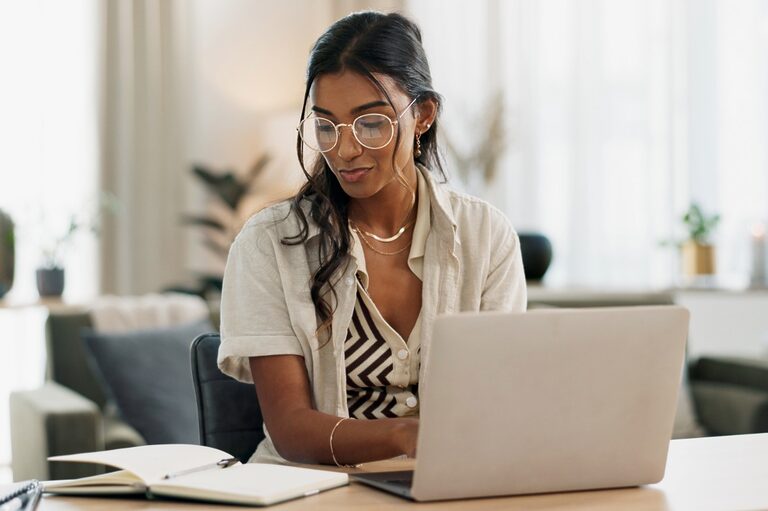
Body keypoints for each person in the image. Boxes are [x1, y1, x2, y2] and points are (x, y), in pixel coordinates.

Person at [218, 11, 526, 467]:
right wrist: (406, 436)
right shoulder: (267, 245)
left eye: (371, 123)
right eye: (326, 125)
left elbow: (498, 400)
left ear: (422, 115)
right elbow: (291, 429)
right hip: (310, 488)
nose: (344, 150)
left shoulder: (487, 236)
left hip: (448, 484)